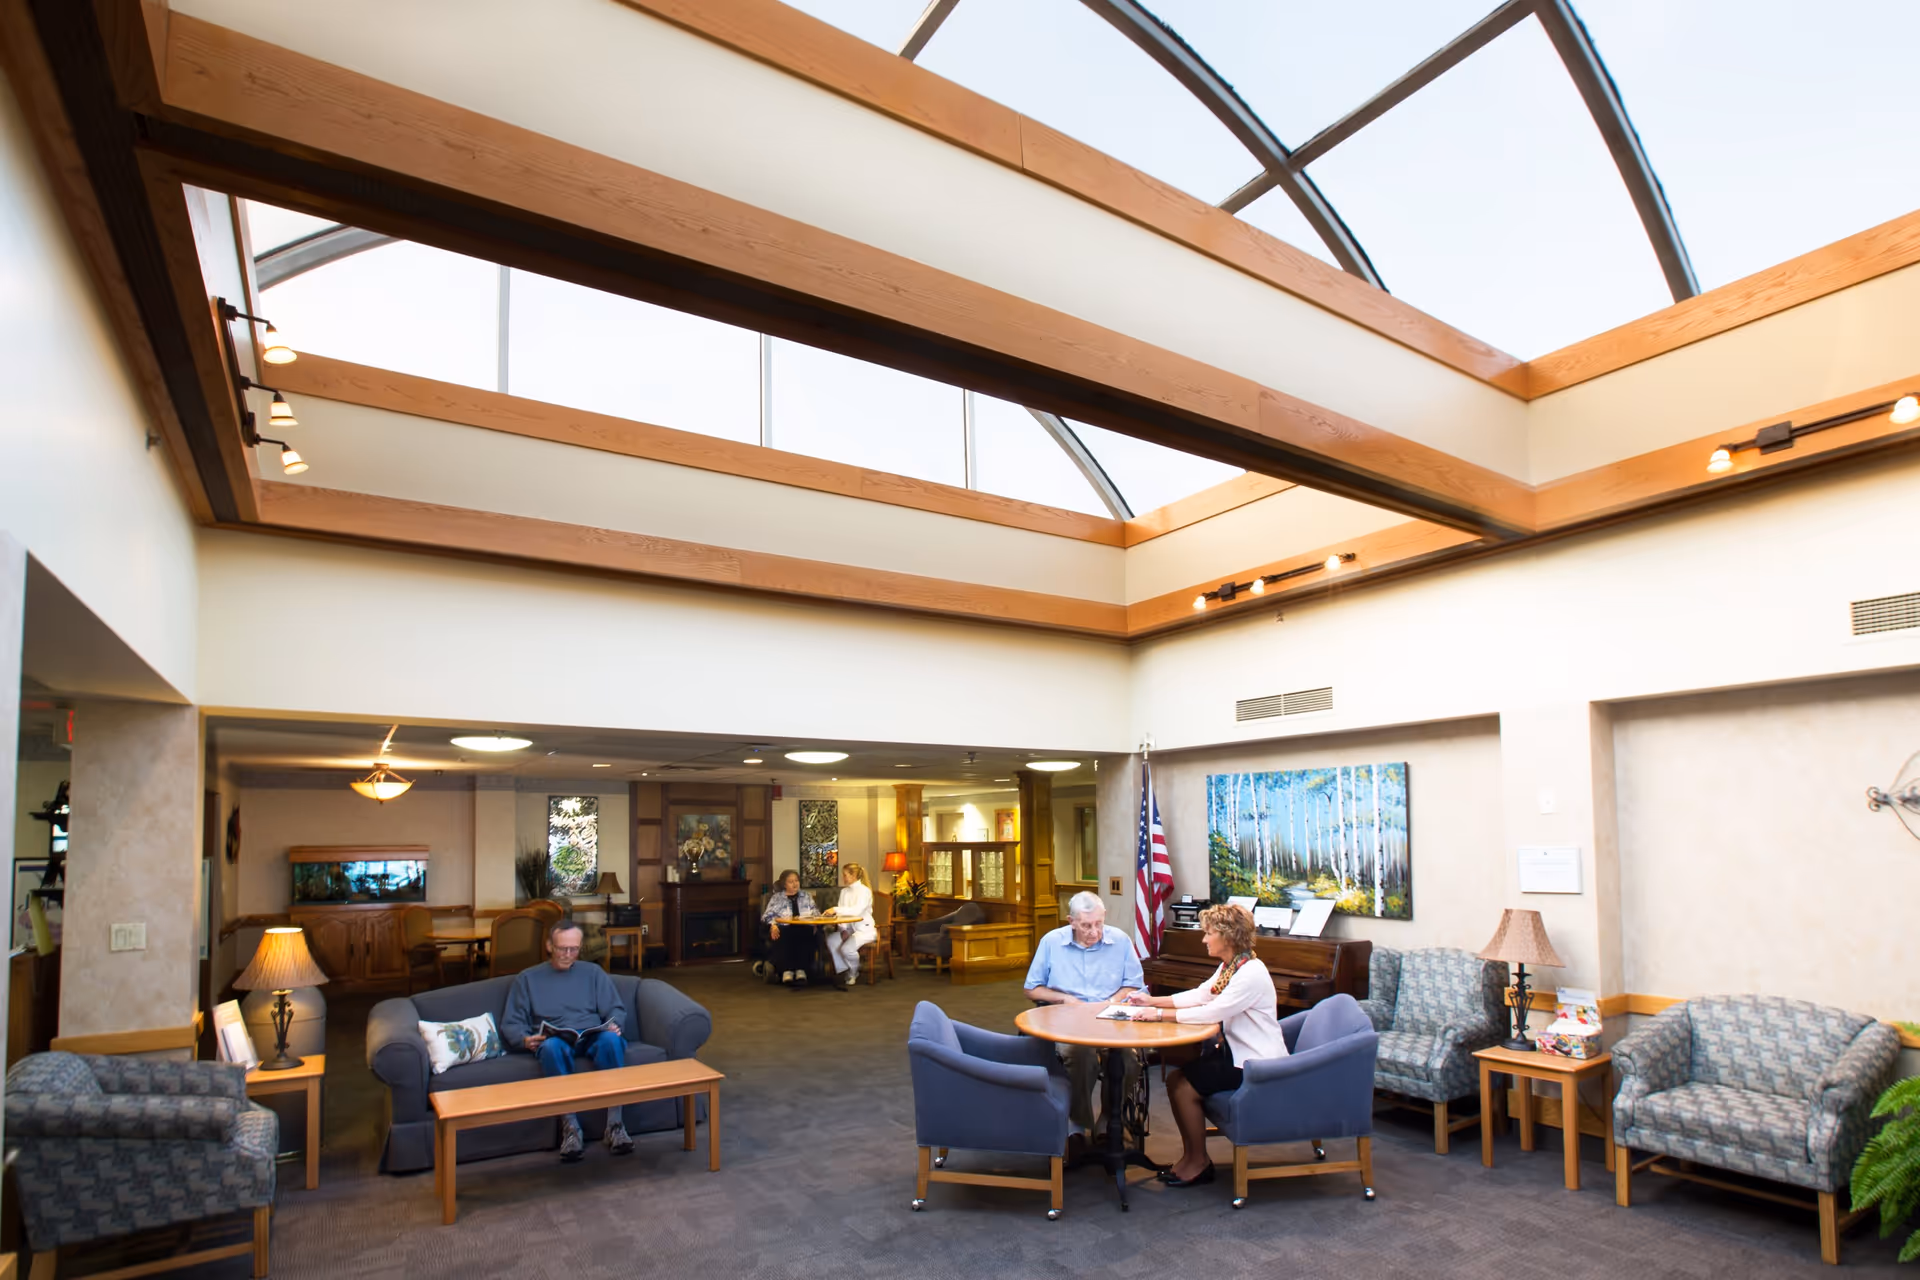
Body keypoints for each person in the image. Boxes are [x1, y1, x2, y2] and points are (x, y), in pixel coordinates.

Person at [1122, 903, 1284, 1186]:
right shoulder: (1232, 966)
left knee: (1182, 1085)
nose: (1204, 939)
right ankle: (1191, 1157)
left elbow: (1212, 1011)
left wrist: (1158, 1015)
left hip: (1255, 1063)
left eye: (1209, 933)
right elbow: (1201, 995)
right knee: (1177, 1080)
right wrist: (1152, 1000)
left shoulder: (1251, 973)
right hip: (1236, 1055)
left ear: (1228, 936)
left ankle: (1198, 1162)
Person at [500, 919, 632, 1162]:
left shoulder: (593, 973)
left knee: (611, 1041)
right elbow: (511, 1023)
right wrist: (525, 1039)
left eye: (574, 949)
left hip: (591, 1034)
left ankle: (615, 1126)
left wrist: (615, 1024)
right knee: (550, 1047)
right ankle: (571, 1129)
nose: (568, 955)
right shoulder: (528, 979)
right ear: (549, 946)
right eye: (562, 949)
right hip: (556, 1038)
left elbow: (615, 1008)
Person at [1024, 891, 1145, 1146]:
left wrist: (1111, 1001)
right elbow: (1032, 988)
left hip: (1110, 1020)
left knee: (1128, 1059)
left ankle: (1109, 1120)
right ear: (1071, 922)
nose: (1094, 932)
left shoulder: (1120, 941)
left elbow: (1134, 985)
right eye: (1086, 926)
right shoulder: (1051, 942)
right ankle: (1078, 1125)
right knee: (1080, 1055)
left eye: (1099, 924)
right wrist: (1065, 999)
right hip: (1068, 1022)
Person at [761, 869, 819, 986]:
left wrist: (815, 923)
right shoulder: (777, 898)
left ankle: (801, 969)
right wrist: (773, 925)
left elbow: (816, 913)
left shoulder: (806, 896)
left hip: (804, 926)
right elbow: (767, 915)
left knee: (806, 933)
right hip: (784, 927)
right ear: (784, 884)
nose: (795, 884)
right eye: (791, 882)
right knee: (785, 933)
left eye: (796, 881)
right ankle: (786, 970)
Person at [822, 862, 876, 987]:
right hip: (850, 930)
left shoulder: (865, 891)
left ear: (853, 875)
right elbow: (842, 914)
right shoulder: (844, 892)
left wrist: (835, 909)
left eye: (845, 875)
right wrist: (843, 930)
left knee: (847, 949)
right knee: (831, 940)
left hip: (865, 930)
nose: (843, 878)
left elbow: (857, 911)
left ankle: (853, 973)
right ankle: (847, 968)